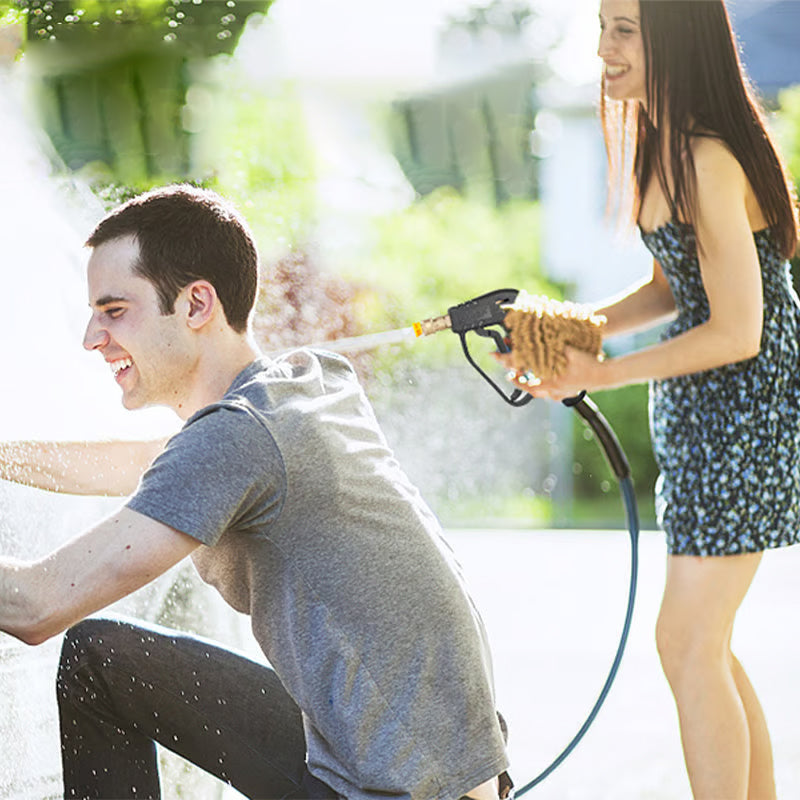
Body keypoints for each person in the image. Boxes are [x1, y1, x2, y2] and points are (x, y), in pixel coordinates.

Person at [0, 184, 512, 800]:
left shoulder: (239, 439)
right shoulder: (304, 389)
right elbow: (142, 465)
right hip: (442, 775)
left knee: (95, 660)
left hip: (390, 790)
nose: (91, 337)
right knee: (106, 656)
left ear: (196, 305)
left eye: (114, 310)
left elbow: (34, 607)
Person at [504, 1, 800, 798]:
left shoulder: (709, 155)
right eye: (602, 26)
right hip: (700, 418)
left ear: (678, 35)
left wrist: (597, 372)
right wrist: (575, 329)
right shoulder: (660, 144)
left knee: (687, 642)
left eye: (626, 28)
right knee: (708, 644)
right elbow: (676, 285)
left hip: (746, 417)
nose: (604, 47)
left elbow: (739, 330)